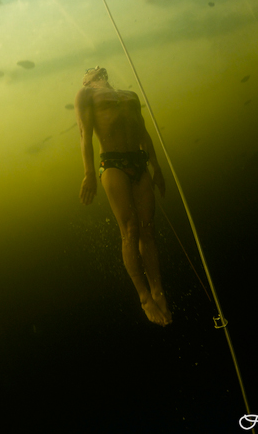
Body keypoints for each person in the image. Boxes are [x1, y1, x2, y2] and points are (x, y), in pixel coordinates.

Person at [75, 66, 171, 326]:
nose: (94, 72)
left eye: (96, 70)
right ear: (87, 81)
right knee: (129, 228)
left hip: (138, 162)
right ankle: (144, 297)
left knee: (148, 228)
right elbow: (84, 135)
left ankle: (158, 290)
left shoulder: (130, 95)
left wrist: (157, 167)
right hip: (113, 163)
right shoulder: (85, 95)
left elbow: (143, 131)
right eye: (89, 73)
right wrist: (89, 174)